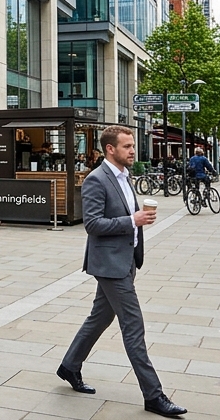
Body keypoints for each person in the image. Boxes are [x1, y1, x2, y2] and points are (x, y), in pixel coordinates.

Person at [56, 125, 185, 417]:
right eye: (127, 146)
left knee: (99, 317)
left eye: (132, 145)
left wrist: (136, 221)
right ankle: (154, 396)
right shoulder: (96, 180)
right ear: (110, 149)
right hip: (110, 266)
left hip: (126, 260)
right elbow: (92, 225)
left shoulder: (125, 177)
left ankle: (69, 366)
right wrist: (133, 220)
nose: (132, 151)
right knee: (133, 327)